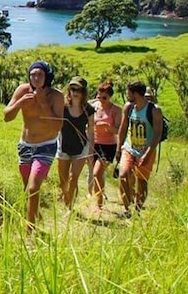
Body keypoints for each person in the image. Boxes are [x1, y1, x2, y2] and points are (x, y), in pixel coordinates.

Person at [3, 60, 64, 231]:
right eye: (32, 75)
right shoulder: (22, 90)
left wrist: (43, 103)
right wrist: (20, 103)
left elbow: (57, 126)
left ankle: (29, 229)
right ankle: (35, 216)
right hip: (25, 146)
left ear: (47, 77)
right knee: (27, 188)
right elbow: (7, 117)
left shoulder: (56, 96)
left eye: (40, 75)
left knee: (33, 187)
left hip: (46, 146)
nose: (36, 78)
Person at [116, 80, 164, 214]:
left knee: (142, 182)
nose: (127, 95)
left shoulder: (154, 110)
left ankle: (137, 209)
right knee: (123, 174)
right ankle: (127, 208)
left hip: (146, 150)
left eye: (128, 92)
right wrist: (119, 148)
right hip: (129, 148)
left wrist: (148, 153)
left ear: (135, 93)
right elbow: (123, 127)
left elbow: (157, 134)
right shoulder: (128, 107)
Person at [56, 77, 94, 209]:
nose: (75, 92)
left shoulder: (88, 109)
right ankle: (66, 197)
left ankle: (69, 207)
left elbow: (91, 130)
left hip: (81, 147)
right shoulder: (63, 106)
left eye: (78, 89)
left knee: (73, 179)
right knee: (63, 180)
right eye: (72, 89)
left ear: (83, 92)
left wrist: (91, 150)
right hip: (64, 146)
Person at [88, 81, 122, 212]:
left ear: (110, 97)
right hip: (93, 143)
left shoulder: (116, 110)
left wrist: (107, 127)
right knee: (95, 173)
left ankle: (99, 204)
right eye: (99, 97)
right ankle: (98, 198)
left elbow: (118, 130)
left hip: (108, 146)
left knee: (97, 172)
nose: (101, 100)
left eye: (105, 98)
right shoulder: (93, 106)